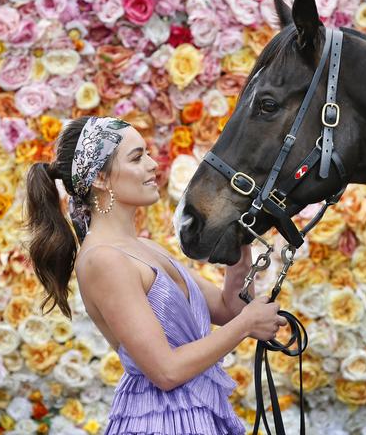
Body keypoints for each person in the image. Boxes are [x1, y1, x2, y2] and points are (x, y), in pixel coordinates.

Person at [24, 115, 287, 434]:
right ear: (101, 179)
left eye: (147, 153)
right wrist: (246, 325)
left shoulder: (146, 248)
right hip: (160, 422)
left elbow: (227, 308)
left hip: (195, 415)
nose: (153, 165)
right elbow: (165, 371)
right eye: (137, 157)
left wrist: (240, 244)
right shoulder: (103, 260)